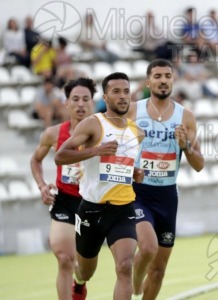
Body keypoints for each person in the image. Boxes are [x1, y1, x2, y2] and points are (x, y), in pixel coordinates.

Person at [54, 72, 144, 300]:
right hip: (91, 210)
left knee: (125, 266)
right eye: (116, 92)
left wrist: (135, 173)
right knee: (85, 270)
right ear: (105, 96)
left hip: (122, 209)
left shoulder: (136, 132)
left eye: (126, 91)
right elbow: (60, 155)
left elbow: (126, 166)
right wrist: (95, 150)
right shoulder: (93, 124)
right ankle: (79, 283)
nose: (123, 96)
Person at [126, 59, 204, 300]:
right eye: (157, 76)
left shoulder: (186, 117)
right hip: (138, 192)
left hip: (168, 196)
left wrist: (186, 145)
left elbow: (199, 164)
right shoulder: (132, 111)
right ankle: (135, 283)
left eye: (167, 76)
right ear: (148, 82)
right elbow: (113, 149)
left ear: (173, 80)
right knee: (147, 247)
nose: (163, 80)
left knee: (159, 270)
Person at [30, 77, 96, 300]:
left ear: (93, 103)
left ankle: (79, 284)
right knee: (65, 259)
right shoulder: (54, 133)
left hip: (94, 203)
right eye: (75, 99)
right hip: (65, 201)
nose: (80, 104)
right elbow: (35, 160)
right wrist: (41, 185)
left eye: (85, 99)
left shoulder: (105, 132)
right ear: (66, 103)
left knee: (83, 267)